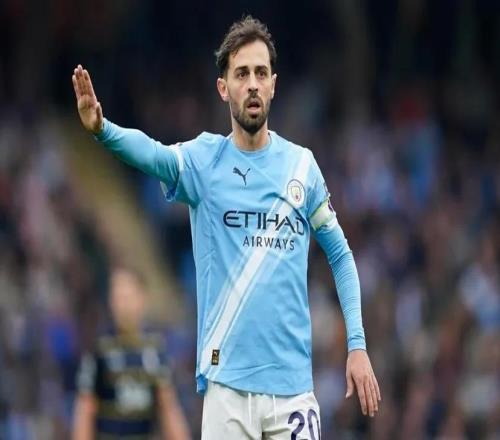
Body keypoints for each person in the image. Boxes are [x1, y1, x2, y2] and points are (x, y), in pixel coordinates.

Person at [72, 15, 381, 439]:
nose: (252, 84)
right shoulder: (204, 161)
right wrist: (102, 130)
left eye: (261, 73)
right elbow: (153, 154)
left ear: (273, 84)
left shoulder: (302, 167)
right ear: (223, 88)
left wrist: (357, 345)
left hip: (292, 391)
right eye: (242, 74)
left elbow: (341, 256)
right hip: (226, 392)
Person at [72, 266, 191, 440]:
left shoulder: (156, 349)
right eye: (118, 298)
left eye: (128, 297)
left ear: (142, 299)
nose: (123, 305)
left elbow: (169, 408)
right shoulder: (99, 349)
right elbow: (85, 409)